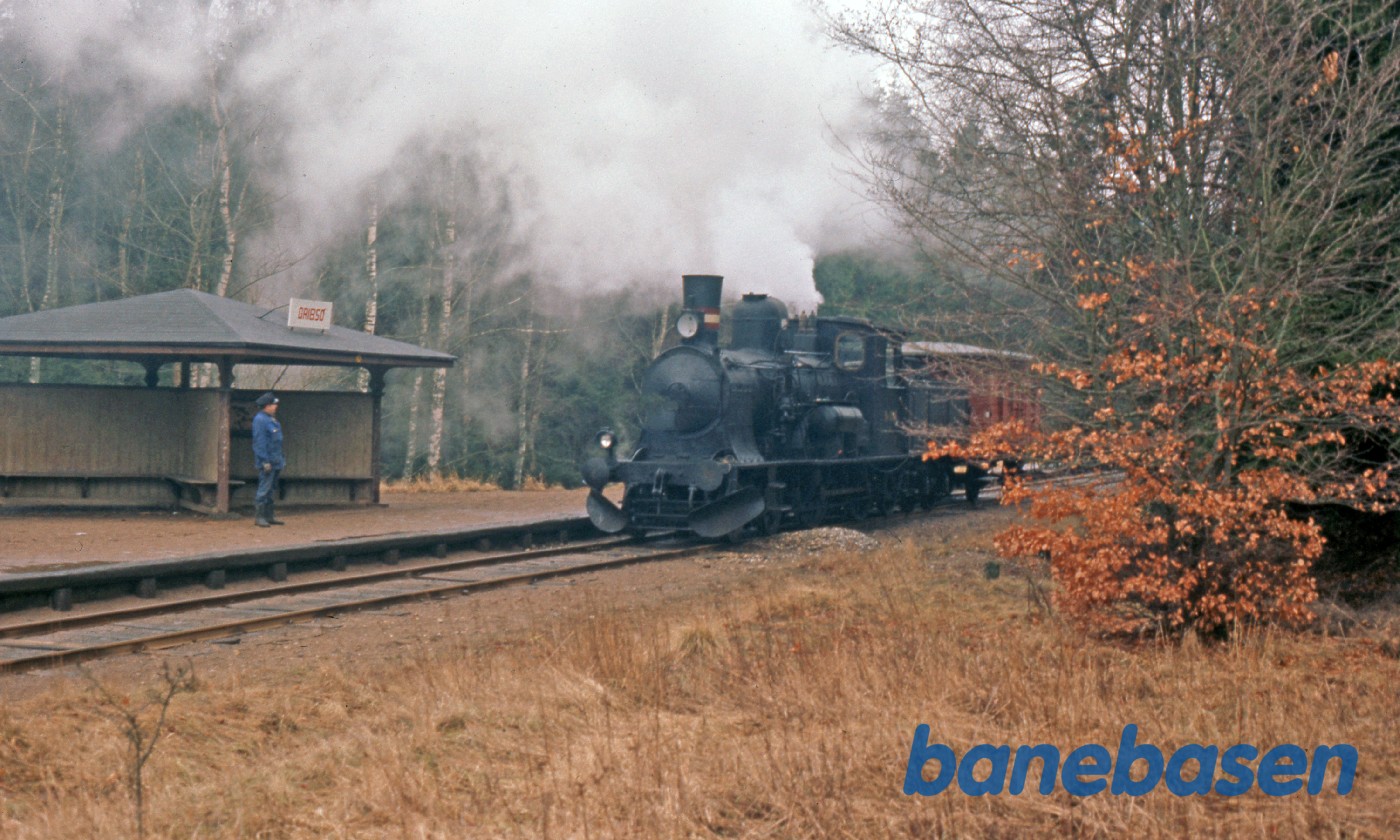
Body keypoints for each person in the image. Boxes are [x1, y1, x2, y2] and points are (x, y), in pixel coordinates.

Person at [251, 392, 286, 527]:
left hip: (276, 460)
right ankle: (259, 518)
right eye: (273, 404)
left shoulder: (271, 419)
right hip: (268, 461)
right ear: (267, 406)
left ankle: (269, 516)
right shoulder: (261, 420)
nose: (276, 407)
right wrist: (264, 460)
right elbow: (259, 443)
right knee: (264, 489)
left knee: (271, 489)